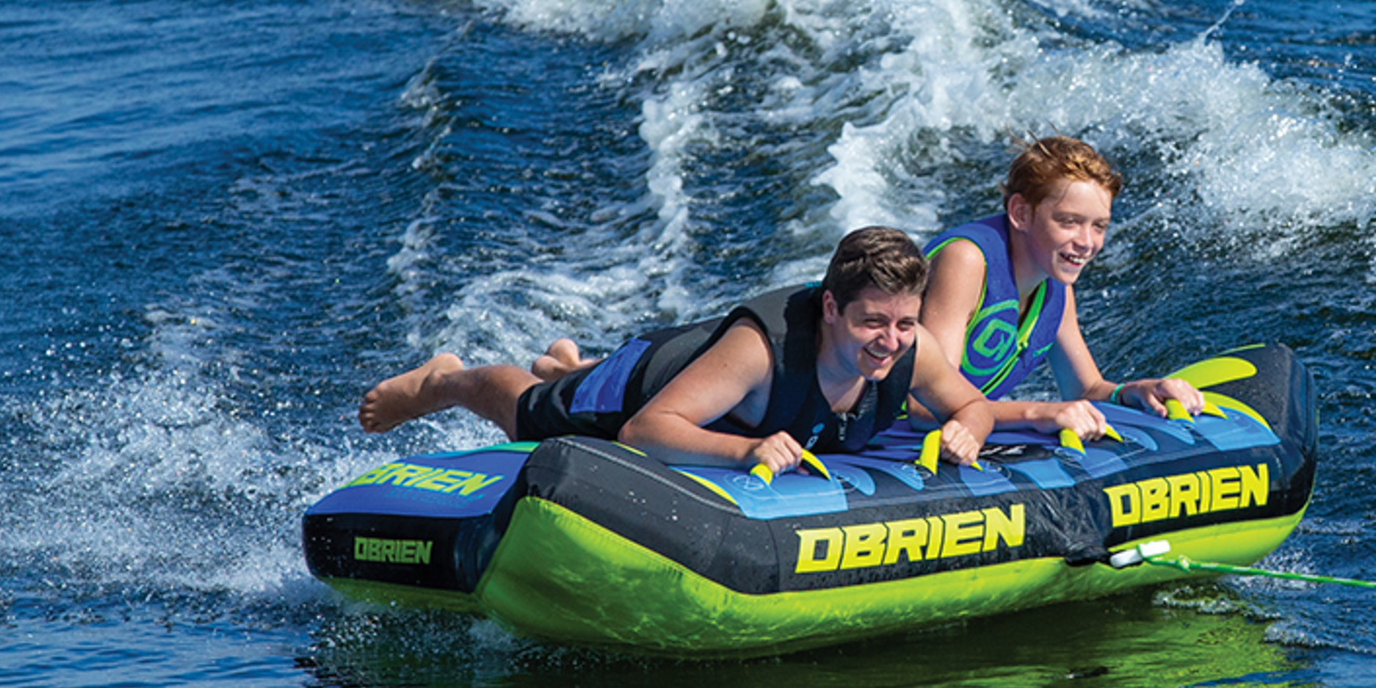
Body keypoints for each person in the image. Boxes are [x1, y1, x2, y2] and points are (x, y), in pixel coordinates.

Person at [357, 227, 997, 474]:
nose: (890, 341)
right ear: (830, 308)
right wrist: (745, 449)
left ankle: (565, 362)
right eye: (872, 323)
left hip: (704, 381)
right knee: (533, 412)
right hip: (648, 381)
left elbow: (975, 406)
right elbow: (644, 429)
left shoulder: (912, 347)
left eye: (905, 324)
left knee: (571, 378)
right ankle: (446, 381)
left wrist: (966, 430)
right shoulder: (761, 352)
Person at [920, 136, 1204, 440]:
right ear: (1021, 213)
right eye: (1069, 222)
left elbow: (1085, 389)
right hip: (874, 431)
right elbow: (923, 408)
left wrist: (1137, 391)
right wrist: (1038, 413)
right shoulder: (966, 261)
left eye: (1099, 226)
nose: (1086, 242)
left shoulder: (1054, 286)